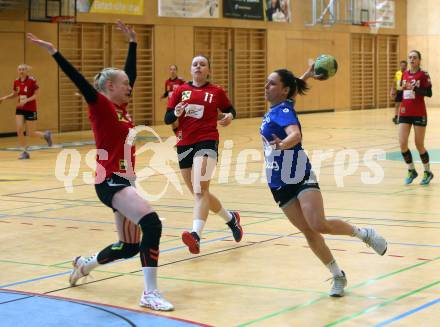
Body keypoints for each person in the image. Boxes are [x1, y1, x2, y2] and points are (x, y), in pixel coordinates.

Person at [27, 20, 174, 311]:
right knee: (152, 223)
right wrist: (55, 52)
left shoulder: (120, 108)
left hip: (125, 181)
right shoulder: (101, 105)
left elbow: (128, 73)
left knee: (130, 246)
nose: (130, 86)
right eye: (125, 84)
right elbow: (80, 81)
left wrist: (133, 43)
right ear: (110, 87)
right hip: (110, 181)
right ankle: (150, 293)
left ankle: (84, 265)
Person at [260, 66, 388, 297]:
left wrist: (284, 144)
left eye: (271, 83)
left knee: (318, 224)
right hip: (276, 181)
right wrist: (307, 73)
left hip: (298, 173)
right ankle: (338, 275)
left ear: (283, 90)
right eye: (267, 82)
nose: (266, 86)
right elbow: (295, 85)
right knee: (308, 231)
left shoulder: (284, 111)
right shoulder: (282, 104)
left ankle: (364, 234)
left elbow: (295, 134)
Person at [164, 55, 243, 254]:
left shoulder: (216, 91)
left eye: (202, 64)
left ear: (208, 69)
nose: (198, 67)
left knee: (200, 191)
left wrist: (229, 116)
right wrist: (176, 113)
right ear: (190, 70)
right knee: (201, 194)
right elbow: (167, 118)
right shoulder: (180, 91)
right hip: (184, 143)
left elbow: (230, 109)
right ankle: (231, 219)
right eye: (195, 64)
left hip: (207, 140)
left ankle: (196, 235)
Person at [0, 64, 52, 159]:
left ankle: (45, 135)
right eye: (19, 69)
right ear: (17, 71)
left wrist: (26, 100)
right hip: (20, 109)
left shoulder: (32, 80)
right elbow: (15, 94)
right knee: (19, 129)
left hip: (31, 108)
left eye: (23, 69)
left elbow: (36, 95)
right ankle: (24, 152)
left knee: (31, 133)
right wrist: (5, 98)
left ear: (27, 71)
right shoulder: (16, 81)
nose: (21, 71)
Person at [398, 50, 433, 185]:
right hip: (405, 111)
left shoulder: (423, 75)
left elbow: (429, 93)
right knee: (402, 143)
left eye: (414, 57)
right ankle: (411, 170)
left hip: (419, 112)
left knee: (419, 145)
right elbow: (402, 92)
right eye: (410, 57)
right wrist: (396, 93)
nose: (412, 59)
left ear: (419, 60)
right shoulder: (404, 74)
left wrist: (415, 89)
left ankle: (427, 172)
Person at [161, 64, 185, 133]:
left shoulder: (180, 81)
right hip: (170, 105)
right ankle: (178, 138)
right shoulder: (167, 82)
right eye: (171, 69)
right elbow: (167, 92)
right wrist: (163, 96)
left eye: (174, 69)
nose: (172, 71)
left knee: (178, 123)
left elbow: (186, 90)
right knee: (173, 124)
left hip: (178, 105)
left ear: (176, 71)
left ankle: (180, 140)